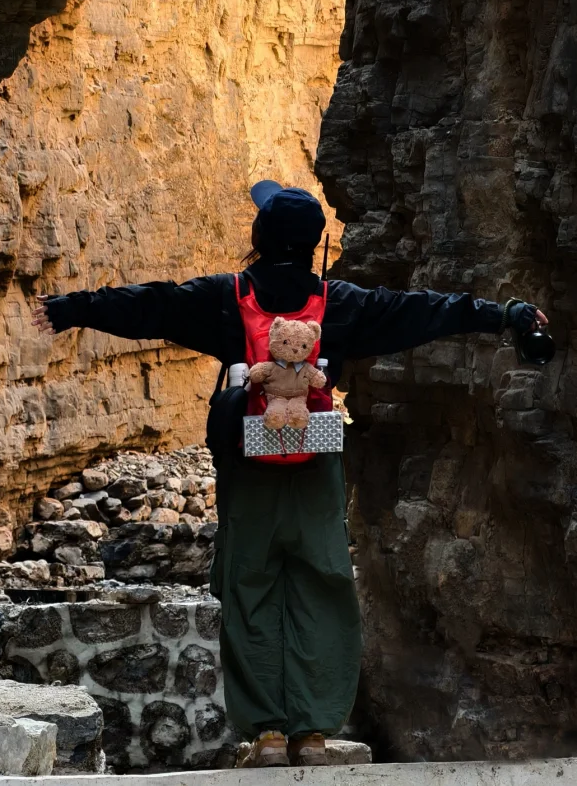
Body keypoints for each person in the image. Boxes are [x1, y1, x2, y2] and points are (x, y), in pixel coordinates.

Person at [33, 181, 548, 767]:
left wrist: (70, 308)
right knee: (322, 585)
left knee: (250, 587)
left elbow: (149, 305)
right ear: (313, 245)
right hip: (315, 465)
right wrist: (502, 315)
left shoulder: (224, 299)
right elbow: (423, 311)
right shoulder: (344, 303)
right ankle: (312, 735)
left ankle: (268, 737)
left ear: (259, 239)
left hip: (248, 466)